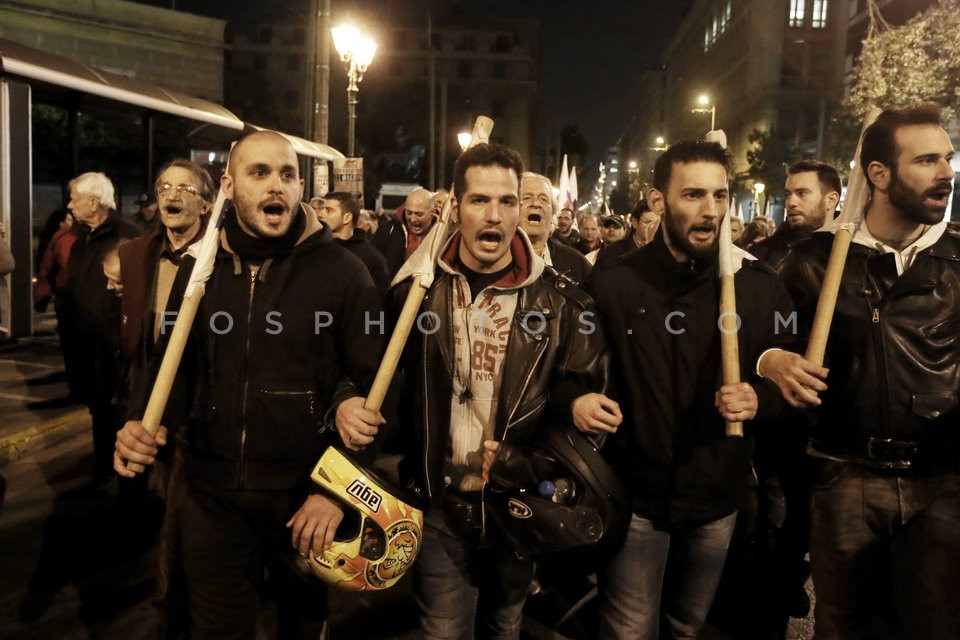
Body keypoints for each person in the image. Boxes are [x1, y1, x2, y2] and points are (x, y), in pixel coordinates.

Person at [114, 130, 385, 638]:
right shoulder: (200, 270)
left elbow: (375, 388)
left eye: (286, 175)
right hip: (210, 498)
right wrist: (142, 424)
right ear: (229, 186)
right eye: (258, 173)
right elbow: (168, 369)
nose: (275, 186)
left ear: (301, 187)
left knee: (302, 628)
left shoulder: (345, 273)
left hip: (306, 502)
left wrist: (335, 492)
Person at [389, 143, 620, 639]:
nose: (494, 216)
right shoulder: (415, 292)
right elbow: (377, 380)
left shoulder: (564, 304)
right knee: (441, 632)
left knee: (503, 626)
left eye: (507, 202)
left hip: (516, 508)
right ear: (455, 206)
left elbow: (581, 410)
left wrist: (527, 462)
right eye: (479, 201)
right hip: (439, 506)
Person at [760, 102, 960, 640]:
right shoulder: (812, 262)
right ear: (879, 174)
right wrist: (770, 359)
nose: (946, 173)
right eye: (926, 161)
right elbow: (749, 332)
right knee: (842, 626)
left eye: (948, 158)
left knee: (933, 625)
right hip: (843, 476)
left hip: (942, 482)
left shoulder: (958, 260)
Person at [589, 140, 795, 639]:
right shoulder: (615, 282)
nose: (711, 211)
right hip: (636, 497)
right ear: (658, 201)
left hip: (717, 498)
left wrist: (758, 397)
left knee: (687, 627)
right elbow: (579, 366)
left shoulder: (758, 286)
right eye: (694, 195)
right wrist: (577, 399)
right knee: (629, 630)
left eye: (721, 196)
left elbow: (784, 368)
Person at [62, 172, 140, 482]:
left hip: (117, 345)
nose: (70, 205)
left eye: (74, 199)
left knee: (120, 412)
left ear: (93, 203)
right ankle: (101, 469)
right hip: (87, 344)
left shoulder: (129, 236)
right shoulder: (82, 238)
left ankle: (124, 474)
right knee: (97, 409)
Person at [751, 160, 841, 271]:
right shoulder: (760, 254)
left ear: (831, 200)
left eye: (802, 193)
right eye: (788, 194)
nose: (790, 203)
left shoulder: (851, 256)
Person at [519, 172, 592, 285]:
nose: (536, 203)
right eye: (527, 197)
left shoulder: (575, 262)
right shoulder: (492, 261)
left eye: (544, 199)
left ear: (552, 214)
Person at [317, 191, 391, 293]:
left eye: (328, 210)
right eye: (321, 209)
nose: (320, 214)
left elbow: (378, 300)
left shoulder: (371, 259)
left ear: (347, 217)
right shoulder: (316, 251)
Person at [373, 187, 436, 276]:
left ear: (432, 213)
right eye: (409, 213)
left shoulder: (443, 235)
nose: (413, 219)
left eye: (419, 214)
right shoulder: (388, 232)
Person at [596, 199, 661, 266]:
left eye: (657, 223)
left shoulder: (665, 250)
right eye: (648, 223)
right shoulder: (613, 253)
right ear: (635, 222)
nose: (654, 228)